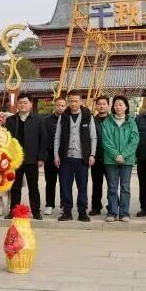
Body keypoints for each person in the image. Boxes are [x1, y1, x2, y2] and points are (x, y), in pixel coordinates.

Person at [53, 90, 96, 222]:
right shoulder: (63, 117)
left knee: (82, 185)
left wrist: (92, 154)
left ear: (81, 101)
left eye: (76, 101)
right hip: (66, 157)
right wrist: (56, 155)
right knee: (65, 185)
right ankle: (67, 211)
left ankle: (82, 211)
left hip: (82, 158)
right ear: (68, 101)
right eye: (71, 101)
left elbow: (93, 137)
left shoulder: (88, 116)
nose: (73, 104)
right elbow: (57, 137)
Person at [5, 93, 47, 219]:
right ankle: (13, 211)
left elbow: (43, 139)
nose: (23, 105)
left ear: (31, 104)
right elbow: (7, 140)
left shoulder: (39, 120)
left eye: (25, 103)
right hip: (16, 160)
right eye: (20, 103)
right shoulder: (11, 120)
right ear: (17, 104)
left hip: (32, 159)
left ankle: (36, 211)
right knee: (15, 187)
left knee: (33, 187)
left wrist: (41, 158)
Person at [102, 95, 139, 222]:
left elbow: (134, 140)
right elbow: (106, 141)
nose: (118, 107)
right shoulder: (107, 122)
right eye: (116, 104)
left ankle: (124, 213)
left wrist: (123, 155)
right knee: (112, 187)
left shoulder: (132, 122)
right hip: (111, 160)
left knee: (125, 187)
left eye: (121, 104)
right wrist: (115, 155)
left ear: (126, 107)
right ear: (113, 107)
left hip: (127, 160)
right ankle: (112, 212)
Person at [43, 98, 66, 216]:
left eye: (63, 106)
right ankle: (49, 204)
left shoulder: (68, 120)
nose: (60, 108)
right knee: (50, 182)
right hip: (50, 156)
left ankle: (64, 205)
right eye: (58, 105)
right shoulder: (46, 120)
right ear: (54, 106)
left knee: (64, 182)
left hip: (64, 157)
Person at [89, 95, 110, 216]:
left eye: (104, 104)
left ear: (108, 105)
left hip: (109, 157)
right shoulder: (92, 120)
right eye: (99, 104)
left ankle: (112, 206)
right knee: (96, 184)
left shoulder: (112, 120)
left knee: (111, 185)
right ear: (96, 106)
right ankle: (96, 207)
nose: (101, 106)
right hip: (96, 157)